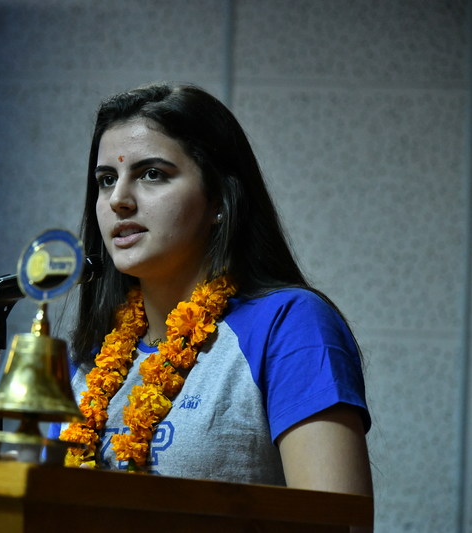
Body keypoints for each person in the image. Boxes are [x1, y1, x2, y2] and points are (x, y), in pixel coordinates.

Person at [52, 83, 372, 498]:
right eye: (107, 179)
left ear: (219, 197)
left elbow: (338, 522)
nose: (119, 200)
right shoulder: (91, 357)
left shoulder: (289, 325)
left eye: (152, 174)